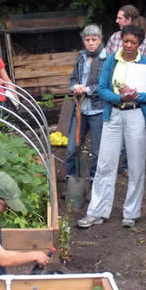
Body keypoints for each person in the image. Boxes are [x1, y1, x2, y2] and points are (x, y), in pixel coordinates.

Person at [77, 25, 146, 229]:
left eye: (133, 42)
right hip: (113, 113)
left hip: (136, 114)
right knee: (105, 163)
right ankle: (97, 211)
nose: (129, 45)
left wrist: (137, 95)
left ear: (140, 44)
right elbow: (103, 90)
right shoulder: (112, 60)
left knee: (136, 165)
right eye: (126, 41)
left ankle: (131, 213)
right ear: (121, 40)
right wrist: (119, 96)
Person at [106, 5, 146, 176]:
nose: (117, 21)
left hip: (137, 96)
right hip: (115, 95)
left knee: (134, 138)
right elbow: (108, 64)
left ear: (129, 19)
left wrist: (136, 90)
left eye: (120, 18)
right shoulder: (114, 38)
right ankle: (112, 167)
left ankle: (128, 167)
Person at [65, 24, 107, 180]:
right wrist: (75, 87)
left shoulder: (106, 58)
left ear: (100, 40)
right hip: (80, 109)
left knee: (98, 150)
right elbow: (73, 79)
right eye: (87, 39)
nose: (90, 43)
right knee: (72, 147)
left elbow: (106, 84)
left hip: (98, 110)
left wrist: (87, 90)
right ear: (83, 40)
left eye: (94, 39)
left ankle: (94, 178)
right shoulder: (81, 57)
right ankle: (71, 176)